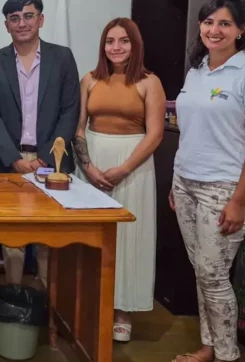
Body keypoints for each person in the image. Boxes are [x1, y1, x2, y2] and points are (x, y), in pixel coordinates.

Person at [169, 0, 245, 362]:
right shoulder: (197, 70)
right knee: (203, 272)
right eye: (208, 22)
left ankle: (227, 356)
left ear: (241, 29)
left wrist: (238, 200)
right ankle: (209, 346)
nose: (214, 30)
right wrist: (176, 180)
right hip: (186, 183)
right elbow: (189, 131)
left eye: (224, 23)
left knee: (214, 275)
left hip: (226, 188)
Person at [73, 18, 165, 342]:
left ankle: (124, 310)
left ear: (135, 44)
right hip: (93, 163)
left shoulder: (149, 82)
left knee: (129, 237)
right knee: (91, 236)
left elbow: (155, 134)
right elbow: (79, 127)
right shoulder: (89, 79)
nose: (116, 47)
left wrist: (124, 168)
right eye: (110, 41)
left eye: (123, 41)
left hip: (133, 166)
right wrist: (87, 167)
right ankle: (90, 302)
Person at [0, 0, 79, 288]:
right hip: (8, 161)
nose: (21, 23)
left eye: (28, 16)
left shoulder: (62, 58)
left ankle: (48, 301)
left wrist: (45, 158)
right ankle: (14, 297)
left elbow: (70, 111)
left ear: (41, 19)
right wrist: (14, 159)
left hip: (52, 161)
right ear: (6, 25)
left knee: (50, 236)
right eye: (14, 18)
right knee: (13, 237)